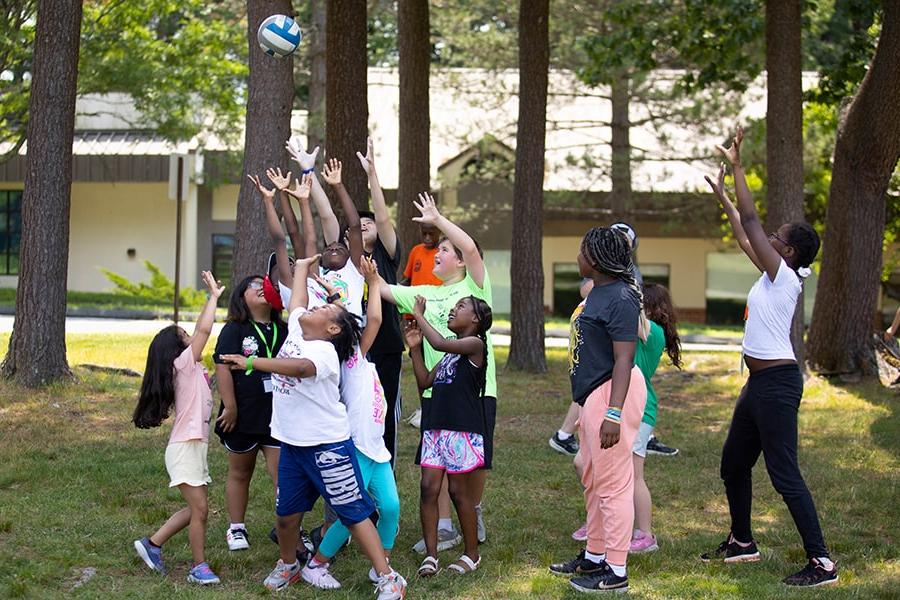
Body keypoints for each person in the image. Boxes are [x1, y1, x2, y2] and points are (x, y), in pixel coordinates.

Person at [219, 254, 407, 599]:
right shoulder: (299, 328)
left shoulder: (323, 353)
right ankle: (289, 565)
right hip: (292, 444)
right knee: (286, 517)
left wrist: (251, 362)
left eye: (321, 312)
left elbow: (300, 368)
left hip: (328, 445)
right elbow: (300, 301)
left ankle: (388, 577)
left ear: (332, 329)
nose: (310, 311)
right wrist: (303, 266)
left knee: (353, 512)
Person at [701, 127, 836, 587]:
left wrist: (738, 167)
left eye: (777, 238)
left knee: (784, 474)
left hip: (777, 386)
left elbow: (754, 224)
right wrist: (723, 196)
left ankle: (822, 562)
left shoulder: (786, 278)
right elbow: (745, 235)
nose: (768, 239)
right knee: (734, 464)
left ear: (789, 250)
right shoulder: (772, 273)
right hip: (757, 386)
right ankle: (742, 542)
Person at [378, 192, 496, 551]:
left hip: (475, 392)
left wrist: (437, 219)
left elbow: (473, 250)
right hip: (435, 389)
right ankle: (444, 527)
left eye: (445, 250)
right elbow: (381, 288)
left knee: (472, 463)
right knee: (438, 458)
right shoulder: (424, 291)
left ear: (460, 262)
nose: (438, 254)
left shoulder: (474, 286)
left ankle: (471, 511)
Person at [549, 226, 647, 594]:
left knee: (614, 485)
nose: (577, 257)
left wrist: (614, 414)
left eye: (581, 251)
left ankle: (616, 570)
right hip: (593, 394)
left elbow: (624, 359)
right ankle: (595, 556)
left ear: (596, 258)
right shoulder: (599, 292)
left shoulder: (621, 296)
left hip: (613, 394)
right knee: (592, 478)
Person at [303, 257, 402, 589]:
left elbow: (365, 319)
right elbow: (371, 319)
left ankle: (381, 565)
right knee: (352, 514)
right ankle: (317, 564)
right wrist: (371, 285)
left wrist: (353, 291)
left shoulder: (357, 355)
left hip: (376, 447)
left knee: (390, 508)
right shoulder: (343, 359)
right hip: (357, 445)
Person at [132, 271, 224, 585]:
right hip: (185, 447)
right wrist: (213, 298)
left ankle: (152, 544)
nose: (190, 334)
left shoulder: (193, 368)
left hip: (193, 446)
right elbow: (204, 328)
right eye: (183, 332)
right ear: (177, 346)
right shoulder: (183, 364)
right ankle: (199, 567)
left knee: (198, 509)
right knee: (200, 510)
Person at [406, 294, 493, 576]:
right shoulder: (450, 356)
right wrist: (415, 349)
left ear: (476, 319)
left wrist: (419, 314)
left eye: (460, 307)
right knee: (428, 488)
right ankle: (431, 556)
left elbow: (440, 341)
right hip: (436, 429)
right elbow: (424, 381)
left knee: (457, 491)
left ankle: (471, 554)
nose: (454, 311)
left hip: (462, 430)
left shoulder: (475, 344)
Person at [212, 273, 287, 552]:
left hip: (278, 414)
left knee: (282, 473)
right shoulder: (235, 329)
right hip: (242, 413)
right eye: (254, 285)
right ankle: (236, 528)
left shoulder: (286, 329)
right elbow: (222, 367)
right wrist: (230, 407)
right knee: (240, 472)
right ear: (241, 296)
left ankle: (288, 526)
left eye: (265, 285)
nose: (261, 288)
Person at [354, 137, 406, 470]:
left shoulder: (387, 256)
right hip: (351, 350)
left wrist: (373, 174)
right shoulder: (346, 260)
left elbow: (384, 219)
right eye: (356, 226)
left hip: (385, 346)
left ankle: (383, 472)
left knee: (383, 411)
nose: (364, 226)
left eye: (367, 222)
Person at [630, 283, 683, 554]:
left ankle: (645, 534)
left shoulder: (654, 333)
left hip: (641, 410)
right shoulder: (644, 331)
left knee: (635, 474)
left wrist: (628, 285)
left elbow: (637, 319)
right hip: (631, 408)